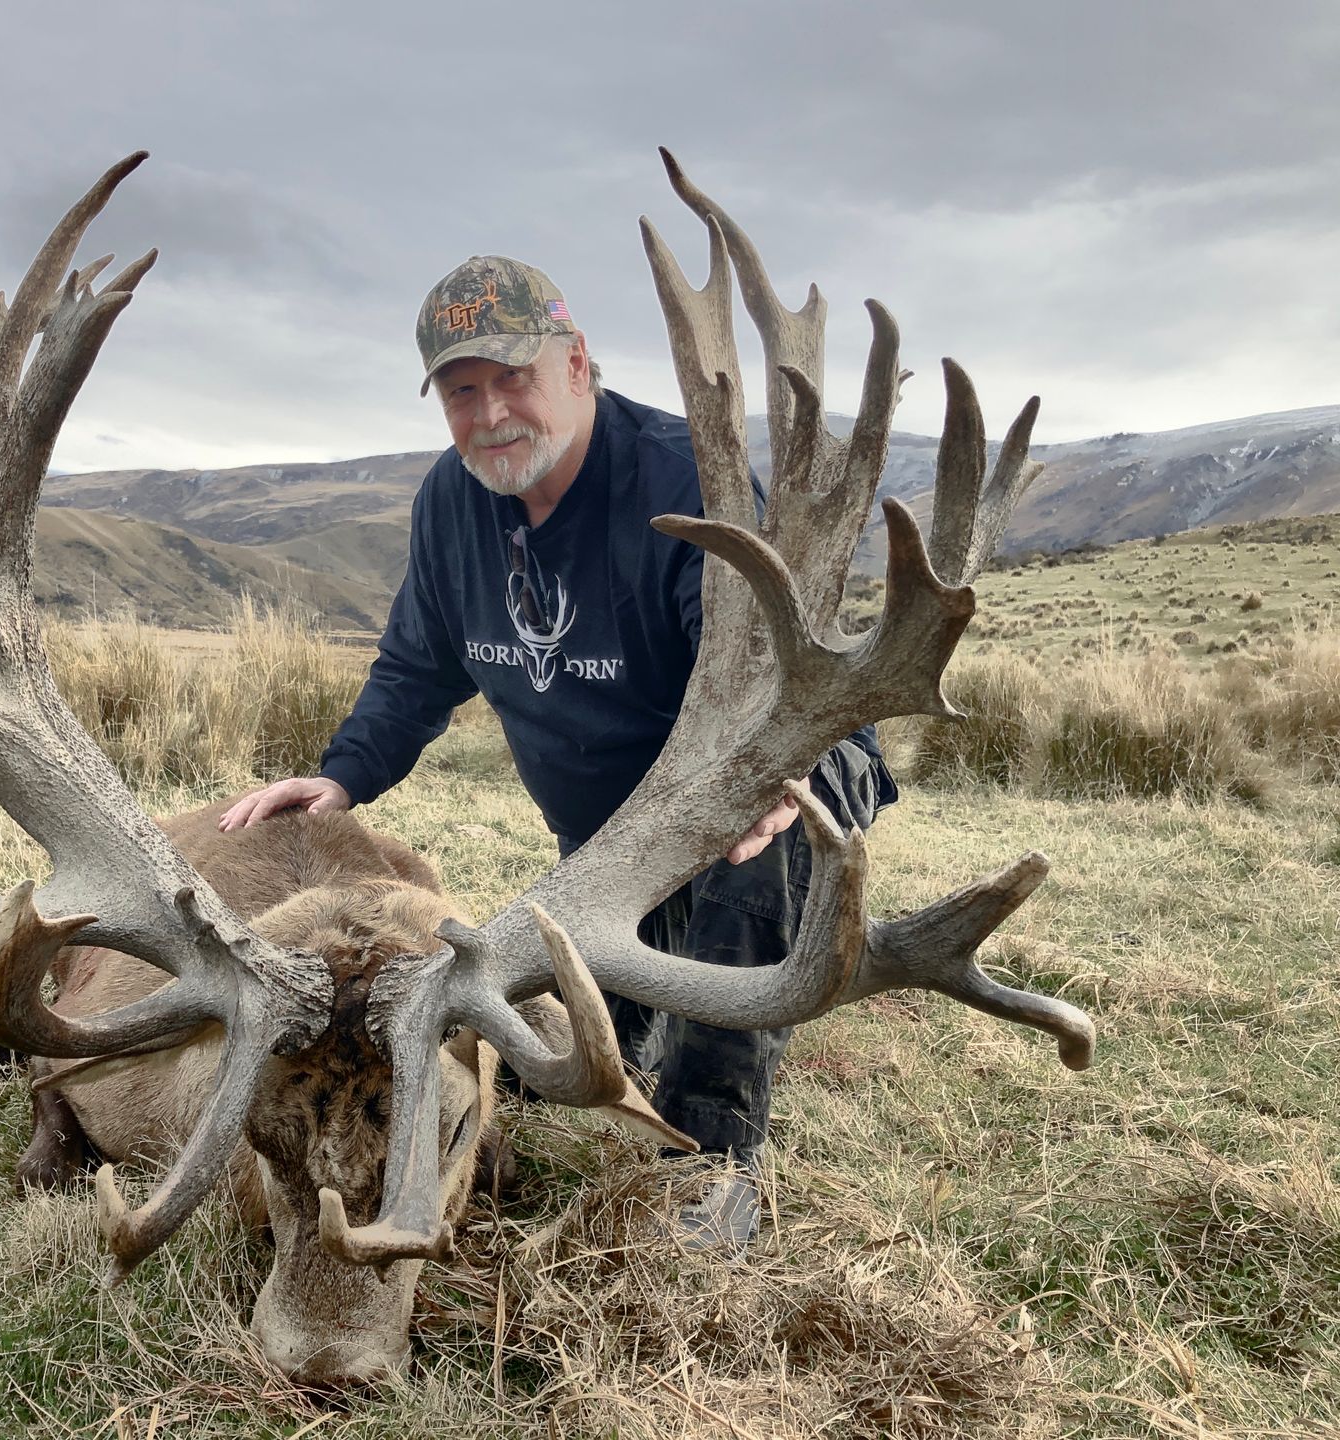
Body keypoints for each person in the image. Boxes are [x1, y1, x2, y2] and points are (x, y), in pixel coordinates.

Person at [218, 255, 895, 1251]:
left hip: (772, 772)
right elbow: (416, 670)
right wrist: (343, 774)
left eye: (511, 378)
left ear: (577, 365)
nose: (490, 412)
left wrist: (766, 784)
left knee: (751, 859)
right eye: (462, 390)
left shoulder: (683, 480)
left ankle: (712, 1165)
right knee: (563, 1041)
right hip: (607, 839)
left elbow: (771, 689)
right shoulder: (452, 504)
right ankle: (648, 990)